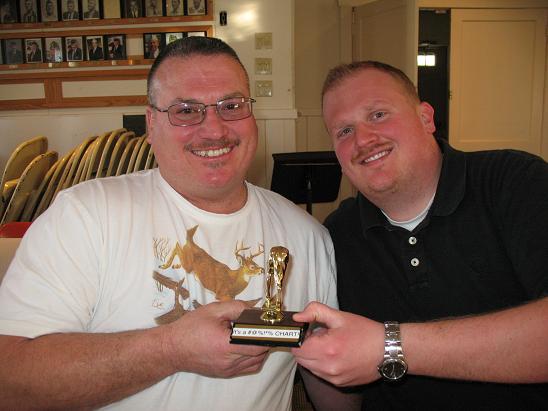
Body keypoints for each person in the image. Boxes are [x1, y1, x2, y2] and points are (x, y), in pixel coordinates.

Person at [0, 36, 337, 410]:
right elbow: (9, 381)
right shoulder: (85, 215)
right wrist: (171, 349)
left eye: (231, 106)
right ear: (151, 123)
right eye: (186, 110)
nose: (214, 130)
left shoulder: (308, 236)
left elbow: (328, 378)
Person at [291, 60, 548, 409]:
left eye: (378, 114)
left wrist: (391, 346)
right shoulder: (336, 235)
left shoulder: (514, 182)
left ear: (426, 118)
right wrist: (304, 349)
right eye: (344, 131)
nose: (363, 139)